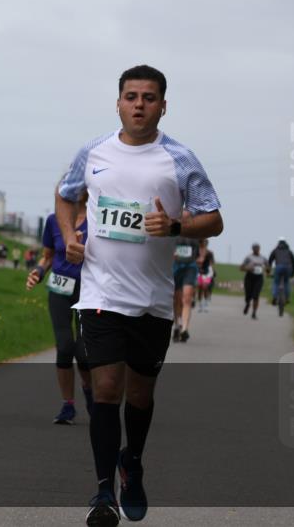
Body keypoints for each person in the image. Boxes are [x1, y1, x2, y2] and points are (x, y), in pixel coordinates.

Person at [56, 64, 223, 526]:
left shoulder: (180, 159)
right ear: (118, 103)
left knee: (141, 397)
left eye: (149, 98)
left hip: (152, 298)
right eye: (131, 96)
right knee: (106, 389)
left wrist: (175, 225)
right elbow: (66, 193)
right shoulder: (93, 151)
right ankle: (103, 492)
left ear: (162, 106)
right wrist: (71, 233)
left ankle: (133, 463)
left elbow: (213, 218)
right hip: (99, 293)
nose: (139, 105)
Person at [26, 196, 93, 425]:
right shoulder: (54, 220)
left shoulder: (96, 220)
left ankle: (90, 391)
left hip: (89, 291)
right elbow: (48, 256)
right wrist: (38, 271)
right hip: (59, 289)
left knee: (84, 353)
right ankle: (68, 405)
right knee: (65, 346)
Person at [171, 236, 200, 343]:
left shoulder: (194, 230)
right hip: (175, 266)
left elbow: (199, 251)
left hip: (190, 267)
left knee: (187, 298)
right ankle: (177, 326)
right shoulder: (173, 229)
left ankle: (185, 329)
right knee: (176, 299)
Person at [240, 243, 269, 319]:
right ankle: (247, 304)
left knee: (256, 296)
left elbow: (268, 267)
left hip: (259, 278)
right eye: (255, 248)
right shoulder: (248, 257)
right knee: (248, 295)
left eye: (257, 248)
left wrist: (266, 270)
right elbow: (241, 268)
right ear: (252, 249)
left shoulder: (263, 258)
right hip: (249, 277)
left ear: (259, 249)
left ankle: (254, 313)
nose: (256, 250)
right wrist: (248, 268)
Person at [268, 238, 294, 312]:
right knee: (286, 282)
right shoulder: (289, 251)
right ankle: (287, 298)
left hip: (278, 267)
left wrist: (268, 271)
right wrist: (293, 273)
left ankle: (274, 297)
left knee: (276, 283)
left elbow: (270, 261)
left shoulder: (275, 250)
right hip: (288, 268)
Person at [195, 240, 215, 313]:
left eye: (204, 243)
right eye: (201, 242)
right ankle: (200, 305)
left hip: (206, 272)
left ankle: (206, 304)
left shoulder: (209, 253)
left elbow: (211, 262)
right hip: (198, 272)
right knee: (200, 288)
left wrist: (212, 271)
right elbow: (193, 260)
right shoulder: (196, 251)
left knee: (205, 287)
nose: (202, 243)